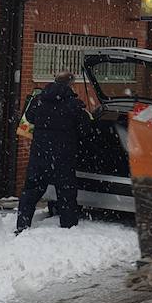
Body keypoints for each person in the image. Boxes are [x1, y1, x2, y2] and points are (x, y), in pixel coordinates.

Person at [16, 71, 91, 233]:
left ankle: (22, 224)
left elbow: (29, 118)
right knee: (66, 191)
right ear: (71, 84)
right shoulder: (74, 105)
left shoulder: (39, 100)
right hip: (63, 156)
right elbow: (85, 129)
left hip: (40, 154)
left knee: (31, 189)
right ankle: (68, 225)